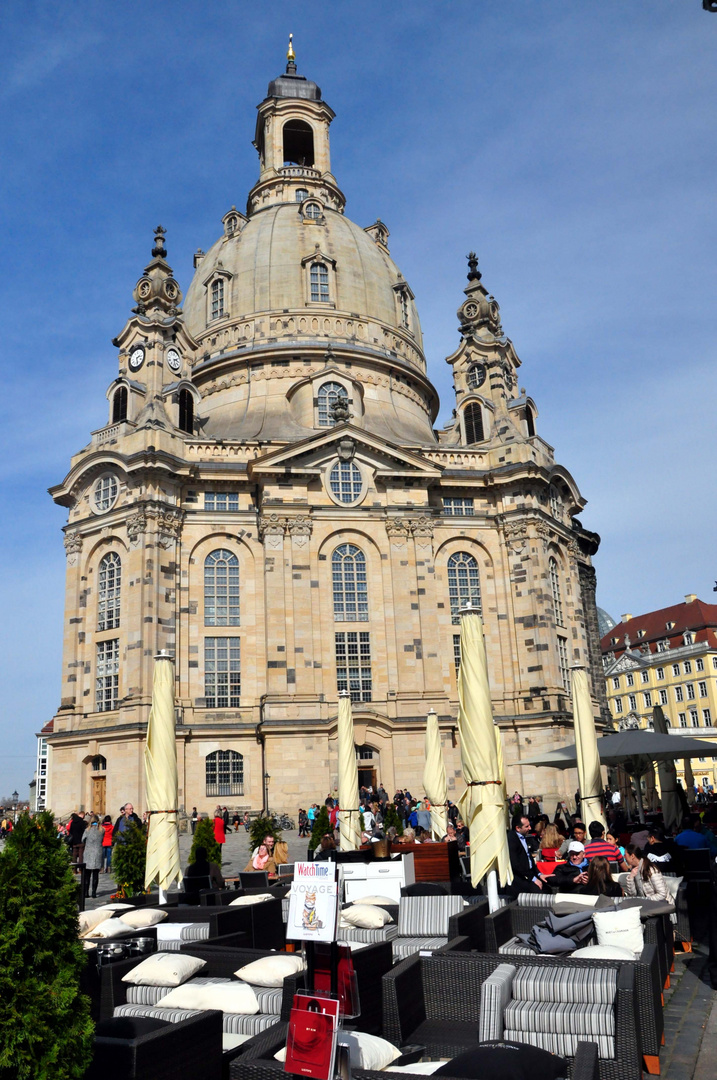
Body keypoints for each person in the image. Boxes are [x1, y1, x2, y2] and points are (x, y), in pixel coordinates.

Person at [507, 816, 550, 894]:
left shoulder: (524, 837)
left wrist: (539, 874)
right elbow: (516, 864)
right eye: (526, 826)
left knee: (548, 886)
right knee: (539, 892)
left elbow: (529, 859)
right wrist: (533, 878)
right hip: (520, 878)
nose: (530, 828)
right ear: (518, 828)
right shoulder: (512, 839)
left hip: (530, 874)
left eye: (529, 825)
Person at [81, 815, 104, 898]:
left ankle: (86, 892)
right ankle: (94, 892)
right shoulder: (102, 830)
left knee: (87, 874)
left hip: (88, 853)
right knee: (95, 874)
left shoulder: (87, 830)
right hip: (97, 852)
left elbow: (82, 839)